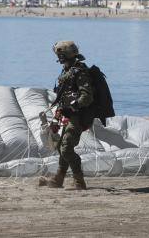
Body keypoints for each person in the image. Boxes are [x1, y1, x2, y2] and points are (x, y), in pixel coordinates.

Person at [38, 40, 94, 191]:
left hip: (78, 116)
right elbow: (63, 99)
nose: (59, 57)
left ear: (65, 55)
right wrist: (56, 118)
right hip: (67, 115)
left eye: (60, 54)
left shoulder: (80, 72)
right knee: (61, 146)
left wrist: (75, 105)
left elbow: (87, 96)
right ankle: (59, 178)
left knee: (67, 148)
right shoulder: (66, 71)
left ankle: (79, 181)